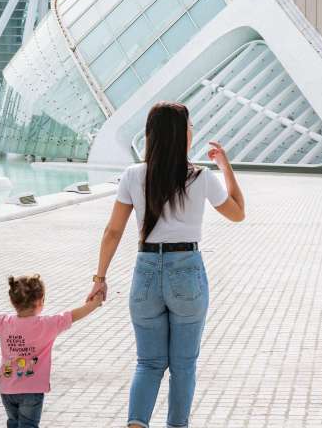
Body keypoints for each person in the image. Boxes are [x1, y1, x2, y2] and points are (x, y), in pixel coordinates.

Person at [87, 102, 246, 428]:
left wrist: (99, 277)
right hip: (187, 270)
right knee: (183, 366)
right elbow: (237, 213)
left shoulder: (133, 175)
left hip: (145, 270)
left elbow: (113, 231)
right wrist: (226, 167)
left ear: (152, 135)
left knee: (148, 363)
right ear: (181, 135)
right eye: (190, 126)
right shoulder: (200, 176)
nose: (192, 132)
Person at [0, 274, 103, 428]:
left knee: (13, 423)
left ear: (13, 301)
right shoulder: (47, 324)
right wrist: (94, 303)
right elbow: (73, 316)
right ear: (40, 302)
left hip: (7, 389)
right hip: (32, 390)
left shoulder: (3, 323)